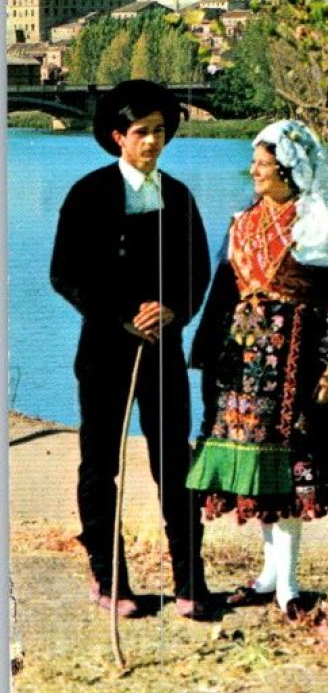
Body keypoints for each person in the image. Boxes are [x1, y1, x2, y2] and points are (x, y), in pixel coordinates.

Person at [185, 119, 328, 619]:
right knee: (256, 472)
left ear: (289, 171)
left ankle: (288, 584)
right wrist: (206, 349)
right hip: (242, 366)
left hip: (295, 361)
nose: (255, 174)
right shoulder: (242, 222)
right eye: (255, 165)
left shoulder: (315, 225)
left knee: (285, 472)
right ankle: (268, 576)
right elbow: (222, 291)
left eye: (264, 166)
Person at [50, 79, 213, 620]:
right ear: (118, 136)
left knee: (175, 464)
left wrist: (173, 311)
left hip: (163, 351)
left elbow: (197, 272)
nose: (152, 142)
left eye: (160, 131)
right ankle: (110, 580)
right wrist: (124, 315)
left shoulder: (180, 196)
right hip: (103, 349)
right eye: (141, 131)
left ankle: (192, 584)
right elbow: (65, 274)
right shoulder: (88, 194)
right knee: (100, 465)